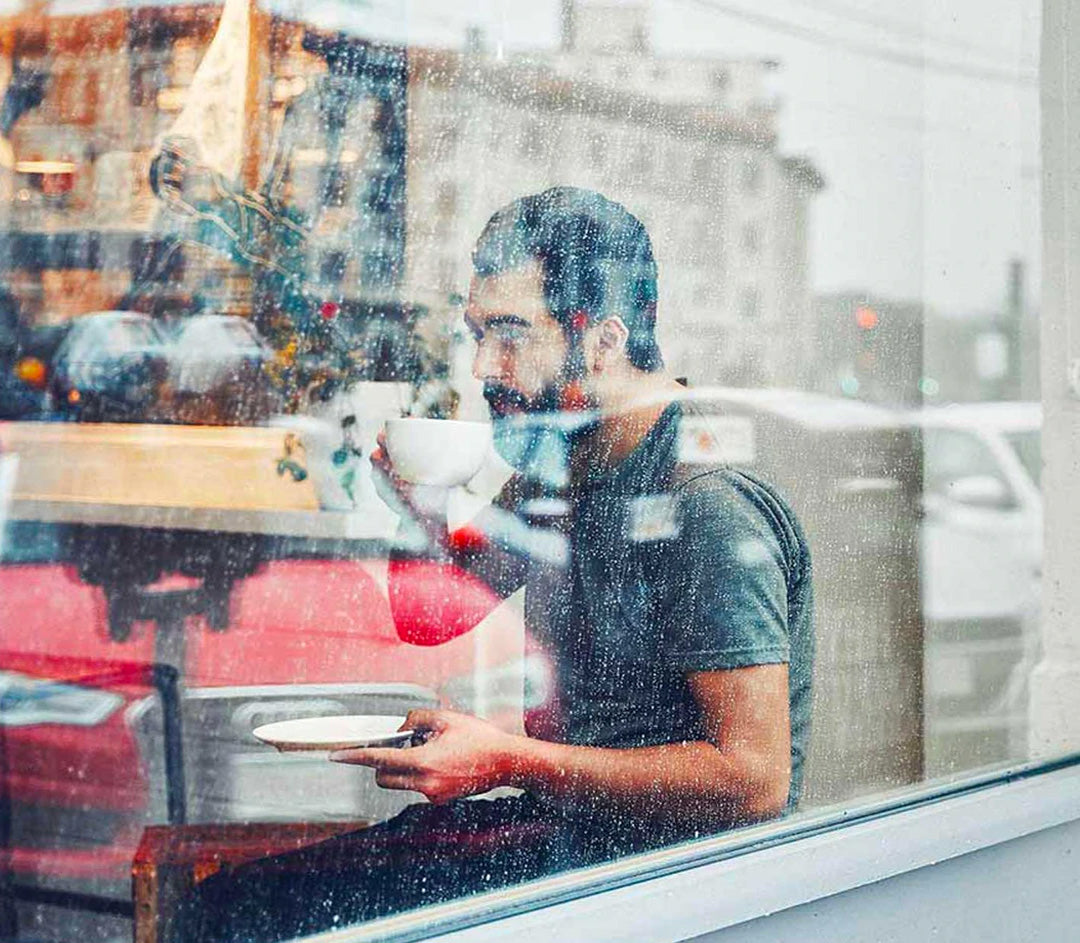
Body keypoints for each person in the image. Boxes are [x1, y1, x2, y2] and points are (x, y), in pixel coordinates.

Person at [178, 187, 813, 942]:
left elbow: (755, 780)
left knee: (237, 919)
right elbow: (426, 619)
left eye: (511, 334)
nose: (483, 365)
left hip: (660, 885)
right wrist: (418, 508)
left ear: (604, 340)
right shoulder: (562, 463)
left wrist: (510, 759)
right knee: (229, 906)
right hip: (566, 840)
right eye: (478, 332)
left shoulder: (703, 502)